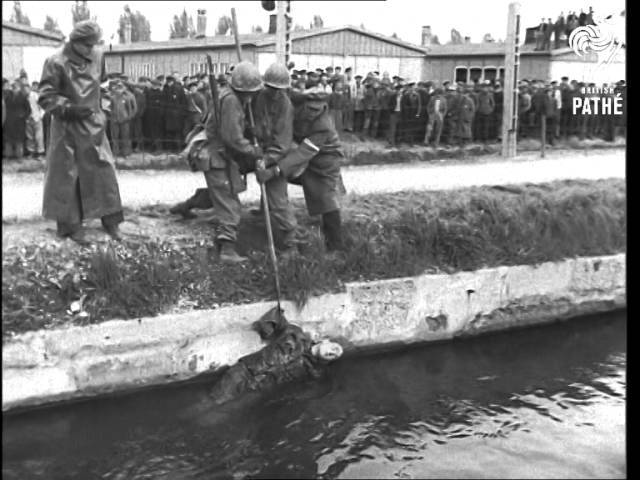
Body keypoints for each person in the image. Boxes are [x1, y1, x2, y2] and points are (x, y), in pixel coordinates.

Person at [38, 20, 124, 244]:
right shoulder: (55, 62)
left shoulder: (98, 55)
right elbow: (46, 96)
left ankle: (111, 221)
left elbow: (104, 86)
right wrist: (69, 108)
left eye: (94, 45)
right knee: (67, 176)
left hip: (94, 124)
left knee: (104, 172)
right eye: (87, 45)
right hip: (67, 126)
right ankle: (70, 226)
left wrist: (104, 110)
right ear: (74, 42)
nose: (91, 50)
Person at [260, 86, 346, 251]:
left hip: (325, 159)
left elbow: (303, 153)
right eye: (310, 108)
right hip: (300, 150)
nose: (312, 113)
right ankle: (264, 211)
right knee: (276, 179)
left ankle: (335, 246)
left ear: (323, 107)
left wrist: (275, 170)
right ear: (305, 102)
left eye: (317, 109)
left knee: (326, 198)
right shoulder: (295, 102)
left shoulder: (324, 125)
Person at [208, 307, 343, 406]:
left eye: (335, 355)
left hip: (256, 391)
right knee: (210, 402)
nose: (333, 352)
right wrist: (269, 330)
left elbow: (320, 391)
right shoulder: (295, 335)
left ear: (329, 360)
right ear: (326, 341)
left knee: (224, 414)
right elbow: (269, 321)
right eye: (335, 348)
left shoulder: (315, 372)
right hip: (244, 371)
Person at [3, 80, 31, 160]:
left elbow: (28, 109)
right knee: (8, 140)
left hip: (19, 122)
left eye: (16, 85)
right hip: (9, 121)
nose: (14, 87)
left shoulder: (23, 96)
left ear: (19, 87)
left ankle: (19, 157)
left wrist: (23, 116)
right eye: (13, 86)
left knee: (19, 140)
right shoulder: (7, 96)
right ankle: (8, 156)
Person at [109, 80, 137, 157]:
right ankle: (115, 152)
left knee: (125, 137)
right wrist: (112, 116)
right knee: (115, 137)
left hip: (125, 119)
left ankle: (126, 153)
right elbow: (110, 107)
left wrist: (129, 117)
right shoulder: (112, 96)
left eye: (121, 86)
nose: (119, 88)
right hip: (114, 119)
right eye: (118, 86)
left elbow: (133, 108)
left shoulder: (129, 96)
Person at [163, 75, 187, 151]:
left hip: (175, 114)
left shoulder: (177, 88)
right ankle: (172, 148)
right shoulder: (167, 88)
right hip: (171, 114)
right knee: (171, 132)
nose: (168, 83)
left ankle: (176, 148)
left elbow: (182, 101)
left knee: (176, 132)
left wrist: (181, 112)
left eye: (169, 82)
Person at [143, 79, 165, 152]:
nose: (154, 86)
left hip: (157, 115)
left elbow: (162, 104)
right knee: (151, 131)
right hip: (151, 115)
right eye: (154, 84)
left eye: (156, 85)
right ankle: (153, 146)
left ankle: (157, 147)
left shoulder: (161, 93)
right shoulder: (149, 92)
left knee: (157, 132)